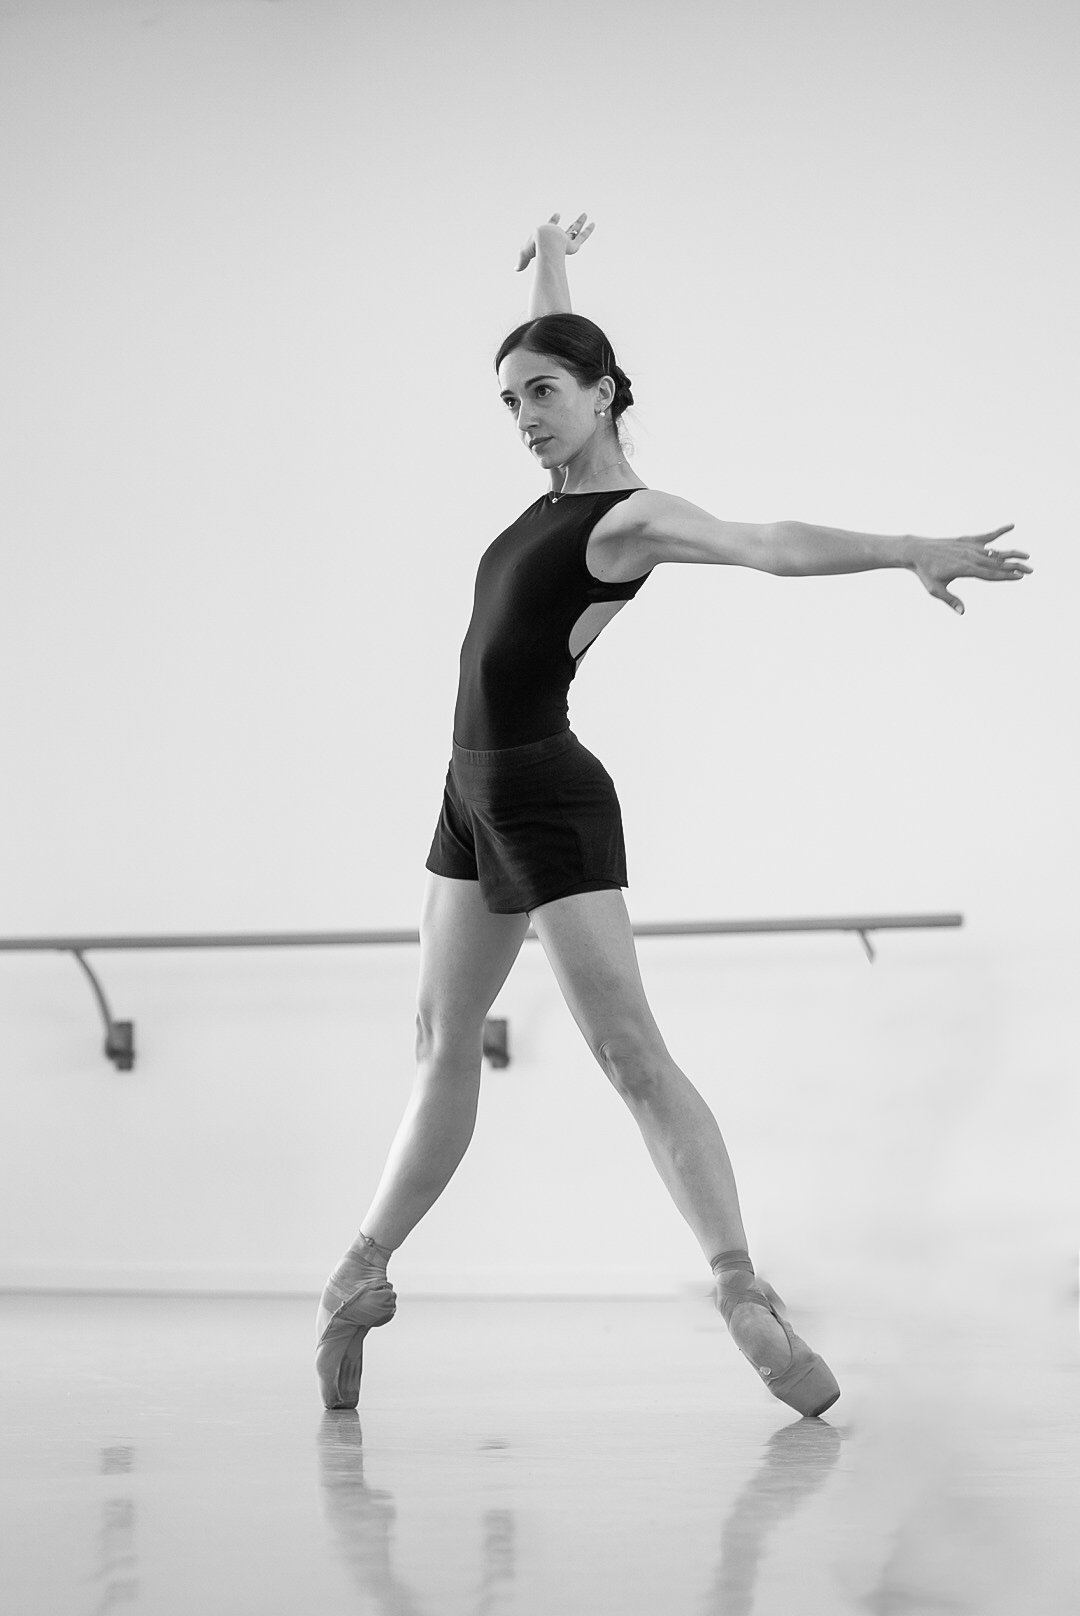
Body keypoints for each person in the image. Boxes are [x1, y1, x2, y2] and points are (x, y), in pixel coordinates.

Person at [316, 211, 1032, 1417]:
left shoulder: (626, 519)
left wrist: (910, 545)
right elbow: (558, 342)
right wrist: (552, 262)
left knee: (627, 1053)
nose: (526, 416)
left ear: (602, 395)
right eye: (509, 400)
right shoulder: (551, 491)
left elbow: (766, 543)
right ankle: (357, 1274)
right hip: (469, 790)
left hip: (544, 791)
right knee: (441, 1041)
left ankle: (742, 1287)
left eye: (544, 392)